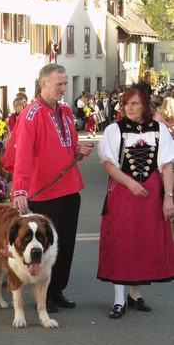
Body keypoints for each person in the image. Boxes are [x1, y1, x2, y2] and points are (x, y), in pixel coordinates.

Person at [12, 64, 94, 313]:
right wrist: (20, 189)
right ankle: (43, 295)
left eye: (65, 83)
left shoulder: (67, 111)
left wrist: (77, 151)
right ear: (43, 84)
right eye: (59, 84)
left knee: (65, 245)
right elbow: (23, 155)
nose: (63, 88)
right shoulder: (31, 114)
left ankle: (57, 290)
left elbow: (69, 144)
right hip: (45, 193)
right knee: (44, 247)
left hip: (70, 189)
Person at [97, 87, 174, 319]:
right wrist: (129, 184)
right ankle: (119, 299)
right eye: (126, 104)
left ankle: (135, 293)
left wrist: (169, 197)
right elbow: (109, 164)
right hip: (122, 193)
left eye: (135, 103)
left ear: (145, 106)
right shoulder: (114, 130)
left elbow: (168, 165)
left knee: (142, 240)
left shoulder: (159, 129)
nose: (129, 108)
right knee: (122, 242)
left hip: (151, 195)